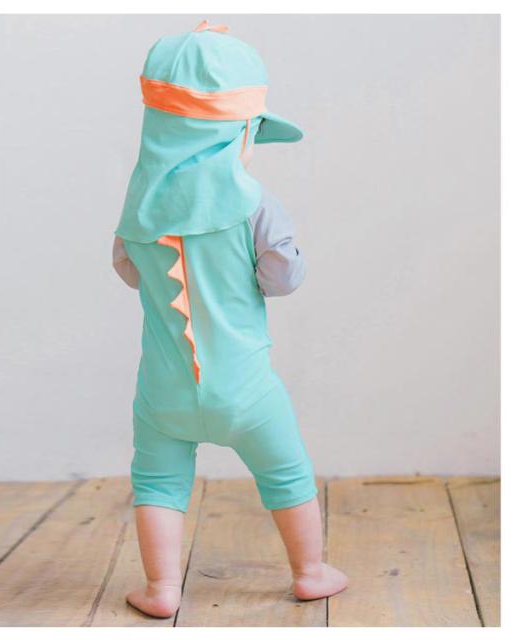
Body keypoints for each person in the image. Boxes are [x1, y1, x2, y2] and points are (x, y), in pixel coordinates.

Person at [112, 19, 348, 618]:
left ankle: (162, 589)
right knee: (286, 473)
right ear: (242, 129)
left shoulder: (137, 206)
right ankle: (310, 572)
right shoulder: (255, 203)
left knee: (158, 484)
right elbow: (282, 279)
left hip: (163, 390)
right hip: (247, 390)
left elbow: (128, 270)